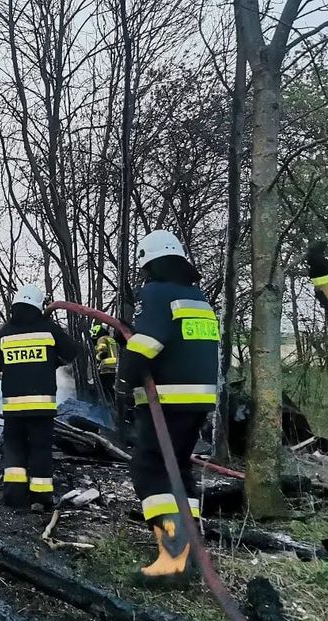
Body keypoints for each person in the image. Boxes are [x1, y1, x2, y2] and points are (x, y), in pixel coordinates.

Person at [115, 230, 217, 587]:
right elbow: (175, 338)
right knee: (179, 470)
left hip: (169, 398)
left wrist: (123, 381)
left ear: (150, 263)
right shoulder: (196, 296)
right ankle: (186, 550)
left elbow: (147, 344)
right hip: (198, 399)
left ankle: (172, 560)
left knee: (150, 470)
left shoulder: (155, 292)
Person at [0, 284, 79, 510]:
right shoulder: (49, 328)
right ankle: (40, 499)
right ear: (40, 305)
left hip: (12, 408)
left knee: (14, 449)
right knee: (40, 449)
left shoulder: (5, 332)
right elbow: (71, 351)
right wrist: (52, 363)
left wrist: (11, 374)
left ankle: (14, 497)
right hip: (41, 406)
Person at [90, 322, 119, 401]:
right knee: (111, 387)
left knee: (103, 388)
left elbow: (103, 353)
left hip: (107, 368)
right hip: (116, 367)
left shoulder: (101, 339)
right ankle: (116, 404)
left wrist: (96, 358)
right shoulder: (111, 339)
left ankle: (107, 404)